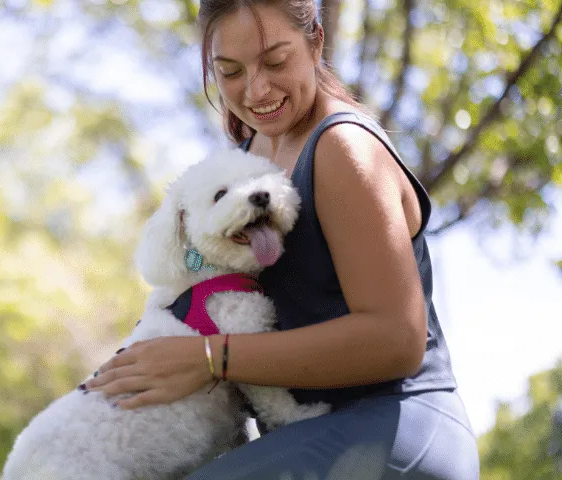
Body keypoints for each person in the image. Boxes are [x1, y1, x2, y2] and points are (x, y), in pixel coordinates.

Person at [82, 0, 480, 478]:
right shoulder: (251, 156)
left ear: (316, 40)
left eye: (275, 61)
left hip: (393, 427)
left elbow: (398, 340)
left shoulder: (342, 149)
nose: (256, 89)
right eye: (230, 71)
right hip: (300, 437)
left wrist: (210, 358)